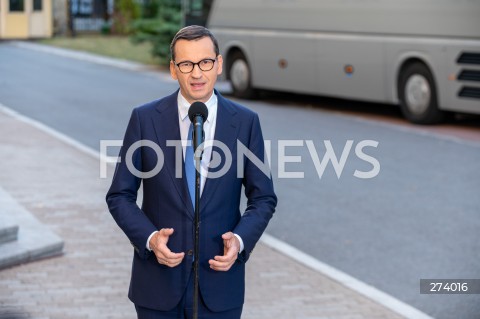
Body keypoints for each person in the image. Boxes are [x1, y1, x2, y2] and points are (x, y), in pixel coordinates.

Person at [106, 25, 277, 319]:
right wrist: (149, 238)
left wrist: (239, 240)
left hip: (220, 287)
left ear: (219, 64)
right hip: (157, 287)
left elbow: (263, 198)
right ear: (173, 69)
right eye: (186, 64)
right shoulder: (145, 120)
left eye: (205, 63)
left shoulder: (246, 123)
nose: (197, 73)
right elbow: (120, 195)